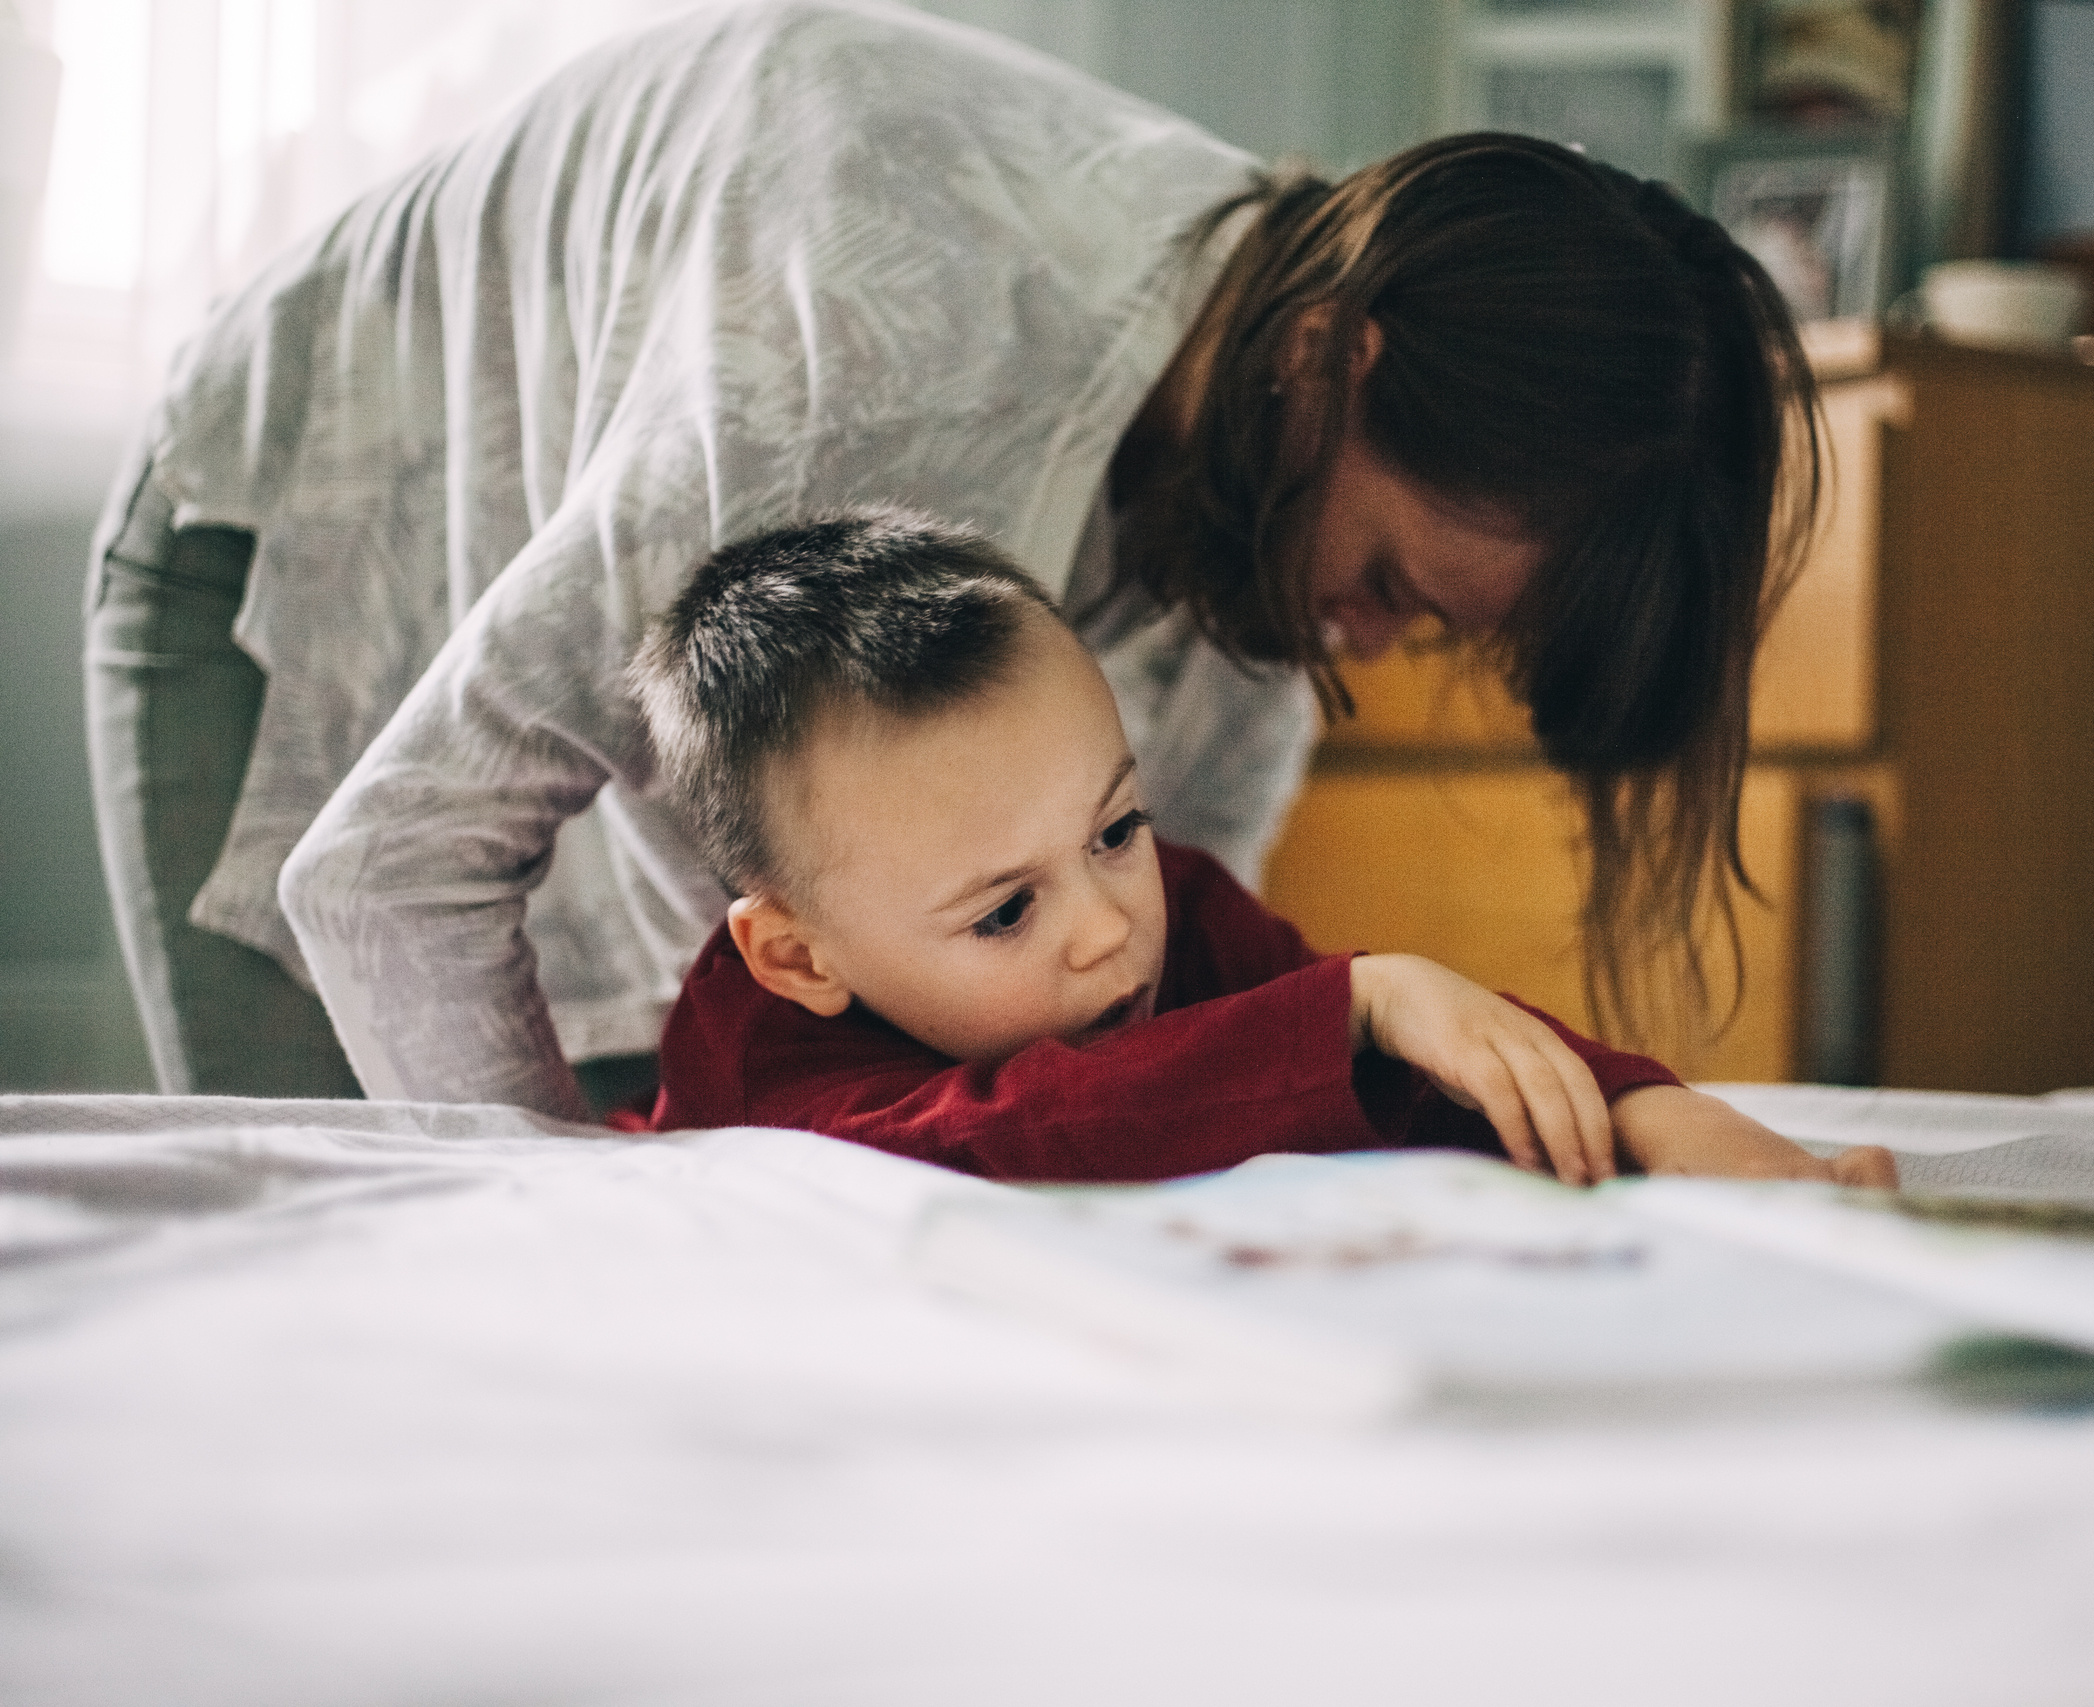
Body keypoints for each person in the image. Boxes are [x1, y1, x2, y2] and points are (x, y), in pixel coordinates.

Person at [88, 2, 1816, 1122]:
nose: (1350, 642)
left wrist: (1630, 1099)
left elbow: (1132, 1072)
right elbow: (392, 865)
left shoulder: (1252, 575)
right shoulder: (861, 330)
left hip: (624, 581)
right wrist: (577, 1251)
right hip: (298, 534)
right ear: (1335, 357)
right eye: (1390, 580)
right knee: (361, 1258)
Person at [637, 510, 1893, 1190]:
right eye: (1004, 914)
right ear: (800, 955)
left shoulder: (1158, 901)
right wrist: (1359, 1002)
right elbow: (1007, 1130)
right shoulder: (764, 1060)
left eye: (1113, 828)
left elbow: (1388, 1054)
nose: (1107, 924)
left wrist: (1636, 1107)